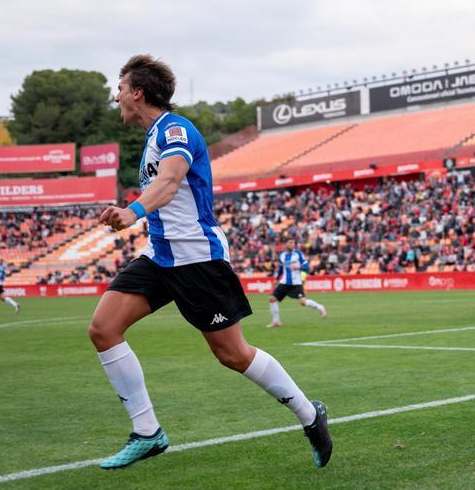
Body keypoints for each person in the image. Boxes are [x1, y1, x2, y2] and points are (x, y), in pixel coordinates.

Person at [89, 55, 331, 470]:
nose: (116, 97)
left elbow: (168, 182)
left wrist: (133, 212)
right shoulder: (151, 137)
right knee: (103, 329)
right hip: (160, 254)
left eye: (120, 88)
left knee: (232, 354)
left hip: (197, 257)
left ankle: (311, 416)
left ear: (137, 92)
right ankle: (147, 432)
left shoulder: (176, 129)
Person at [267, 239, 327, 328]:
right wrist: (276, 279)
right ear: (286, 244)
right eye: (290, 242)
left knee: (302, 302)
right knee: (272, 299)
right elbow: (280, 268)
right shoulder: (282, 255)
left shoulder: (298, 254)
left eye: (294, 242)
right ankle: (276, 321)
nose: (293, 244)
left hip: (296, 283)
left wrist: (298, 267)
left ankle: (320, 307)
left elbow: (306, 267)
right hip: (284, 282)